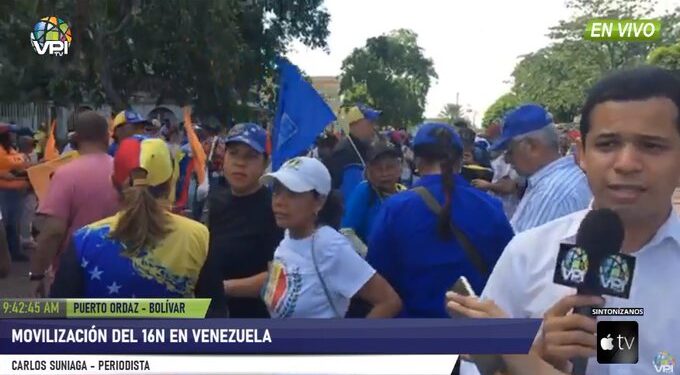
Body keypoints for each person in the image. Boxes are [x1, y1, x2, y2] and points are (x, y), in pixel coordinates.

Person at [461, 67, 680, 375]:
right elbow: (475, 366)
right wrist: (535, 357)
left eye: (652, 146)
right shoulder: (527, 254)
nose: (627, 164)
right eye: (607, 144)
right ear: (582, 155)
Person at [366, 123, 514, 318]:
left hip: (414, 336)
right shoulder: (490, 206)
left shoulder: (395, 208)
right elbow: (508, 274)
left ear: (416, 161)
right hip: (474, 335)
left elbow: (378, 275)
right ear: (460, 159)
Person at [50, 136, 210, 298]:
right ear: (170, 183)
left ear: (113, 182)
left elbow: (59, 313)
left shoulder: (83, 240)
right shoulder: (199, 237)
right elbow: (214, 313)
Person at [257, 156, 402, 318]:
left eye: (292, 193)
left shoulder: (329, 246)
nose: (279, 202)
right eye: (276, 191)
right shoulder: (288, 236)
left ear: (319, 201)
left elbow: (388, 301)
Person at [195, 123, 282, 318]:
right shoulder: (211, 200)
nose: (240, 163)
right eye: (233, 153)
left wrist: (221, 288)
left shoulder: (276, 209)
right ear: (223, 158)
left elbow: (279, 276)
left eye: (250, 156)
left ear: (265, 163)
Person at [31, 111, 120, 296]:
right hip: (118, 267)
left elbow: (53, 231)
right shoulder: (122, 172)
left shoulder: (65, 174)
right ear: (107, 137)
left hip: (74, 271)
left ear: (75, 139)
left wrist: (37, 274)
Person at [490, 104, 592, 233]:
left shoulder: (552, 193)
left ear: (530, 146)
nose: (506, 160)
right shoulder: (565, 179)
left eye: (509, 151)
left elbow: (524, 251)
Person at [341, 140, 406, 245]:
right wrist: (367, 253)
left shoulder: (404, 193)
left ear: (399, 168)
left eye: (390, 167)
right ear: (369, 170)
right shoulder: (364, 191)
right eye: (378, 168)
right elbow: (346, 231)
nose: (384, 173)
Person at [324, 103, 381, 201]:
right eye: (371, 122)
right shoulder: (343, 153)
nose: (375, 127)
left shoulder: (365, 150)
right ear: (354, 124)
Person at [0, 123, 30, 261]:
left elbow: (21, 165)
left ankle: (14, 251)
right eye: (11, 133)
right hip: (4, 192)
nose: (14, 135)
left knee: (14, 223)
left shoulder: (11, 149)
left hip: (17, 192)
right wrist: (3, 174)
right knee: (6, 223)